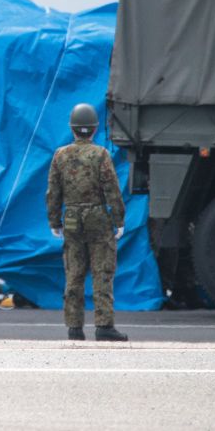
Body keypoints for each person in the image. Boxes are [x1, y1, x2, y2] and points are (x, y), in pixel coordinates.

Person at [46, 102, 128, 342]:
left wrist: (54, 220)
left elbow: (53, 191)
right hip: (98, 218)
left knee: (74, 271)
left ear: (72, 128)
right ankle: (103, 326)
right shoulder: (101, 154)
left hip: (71, 219)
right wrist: (119, 219)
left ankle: (74, 327)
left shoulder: (60, 155)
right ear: (93, 128)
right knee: (102, 271)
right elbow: (112, 189)